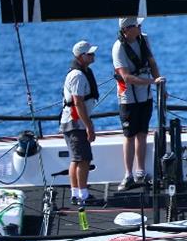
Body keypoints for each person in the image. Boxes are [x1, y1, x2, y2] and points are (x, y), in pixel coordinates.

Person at [112, 17, 165, 191]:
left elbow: (152, 62)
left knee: (142, 133)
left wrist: (160, 86)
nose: (140, 27)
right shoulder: (118, 48)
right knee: (129, 135)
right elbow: (126, 77)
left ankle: (140, 171)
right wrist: (152, 82)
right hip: (129, 98)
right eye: (137, 25)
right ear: (127, 29)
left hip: (145, 96)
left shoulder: (144, 38)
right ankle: (128, 174)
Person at [60, 41, 104, 206]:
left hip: (74, 122)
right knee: (83, 159)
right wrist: (89, 126)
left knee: (77, 158)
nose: (93, 56)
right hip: (75, 123)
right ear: (80, 56)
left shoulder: (83, 72)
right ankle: (82, 194)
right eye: (89, 54)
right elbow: (78, 103)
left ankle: (77, 193)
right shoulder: (78, 75)